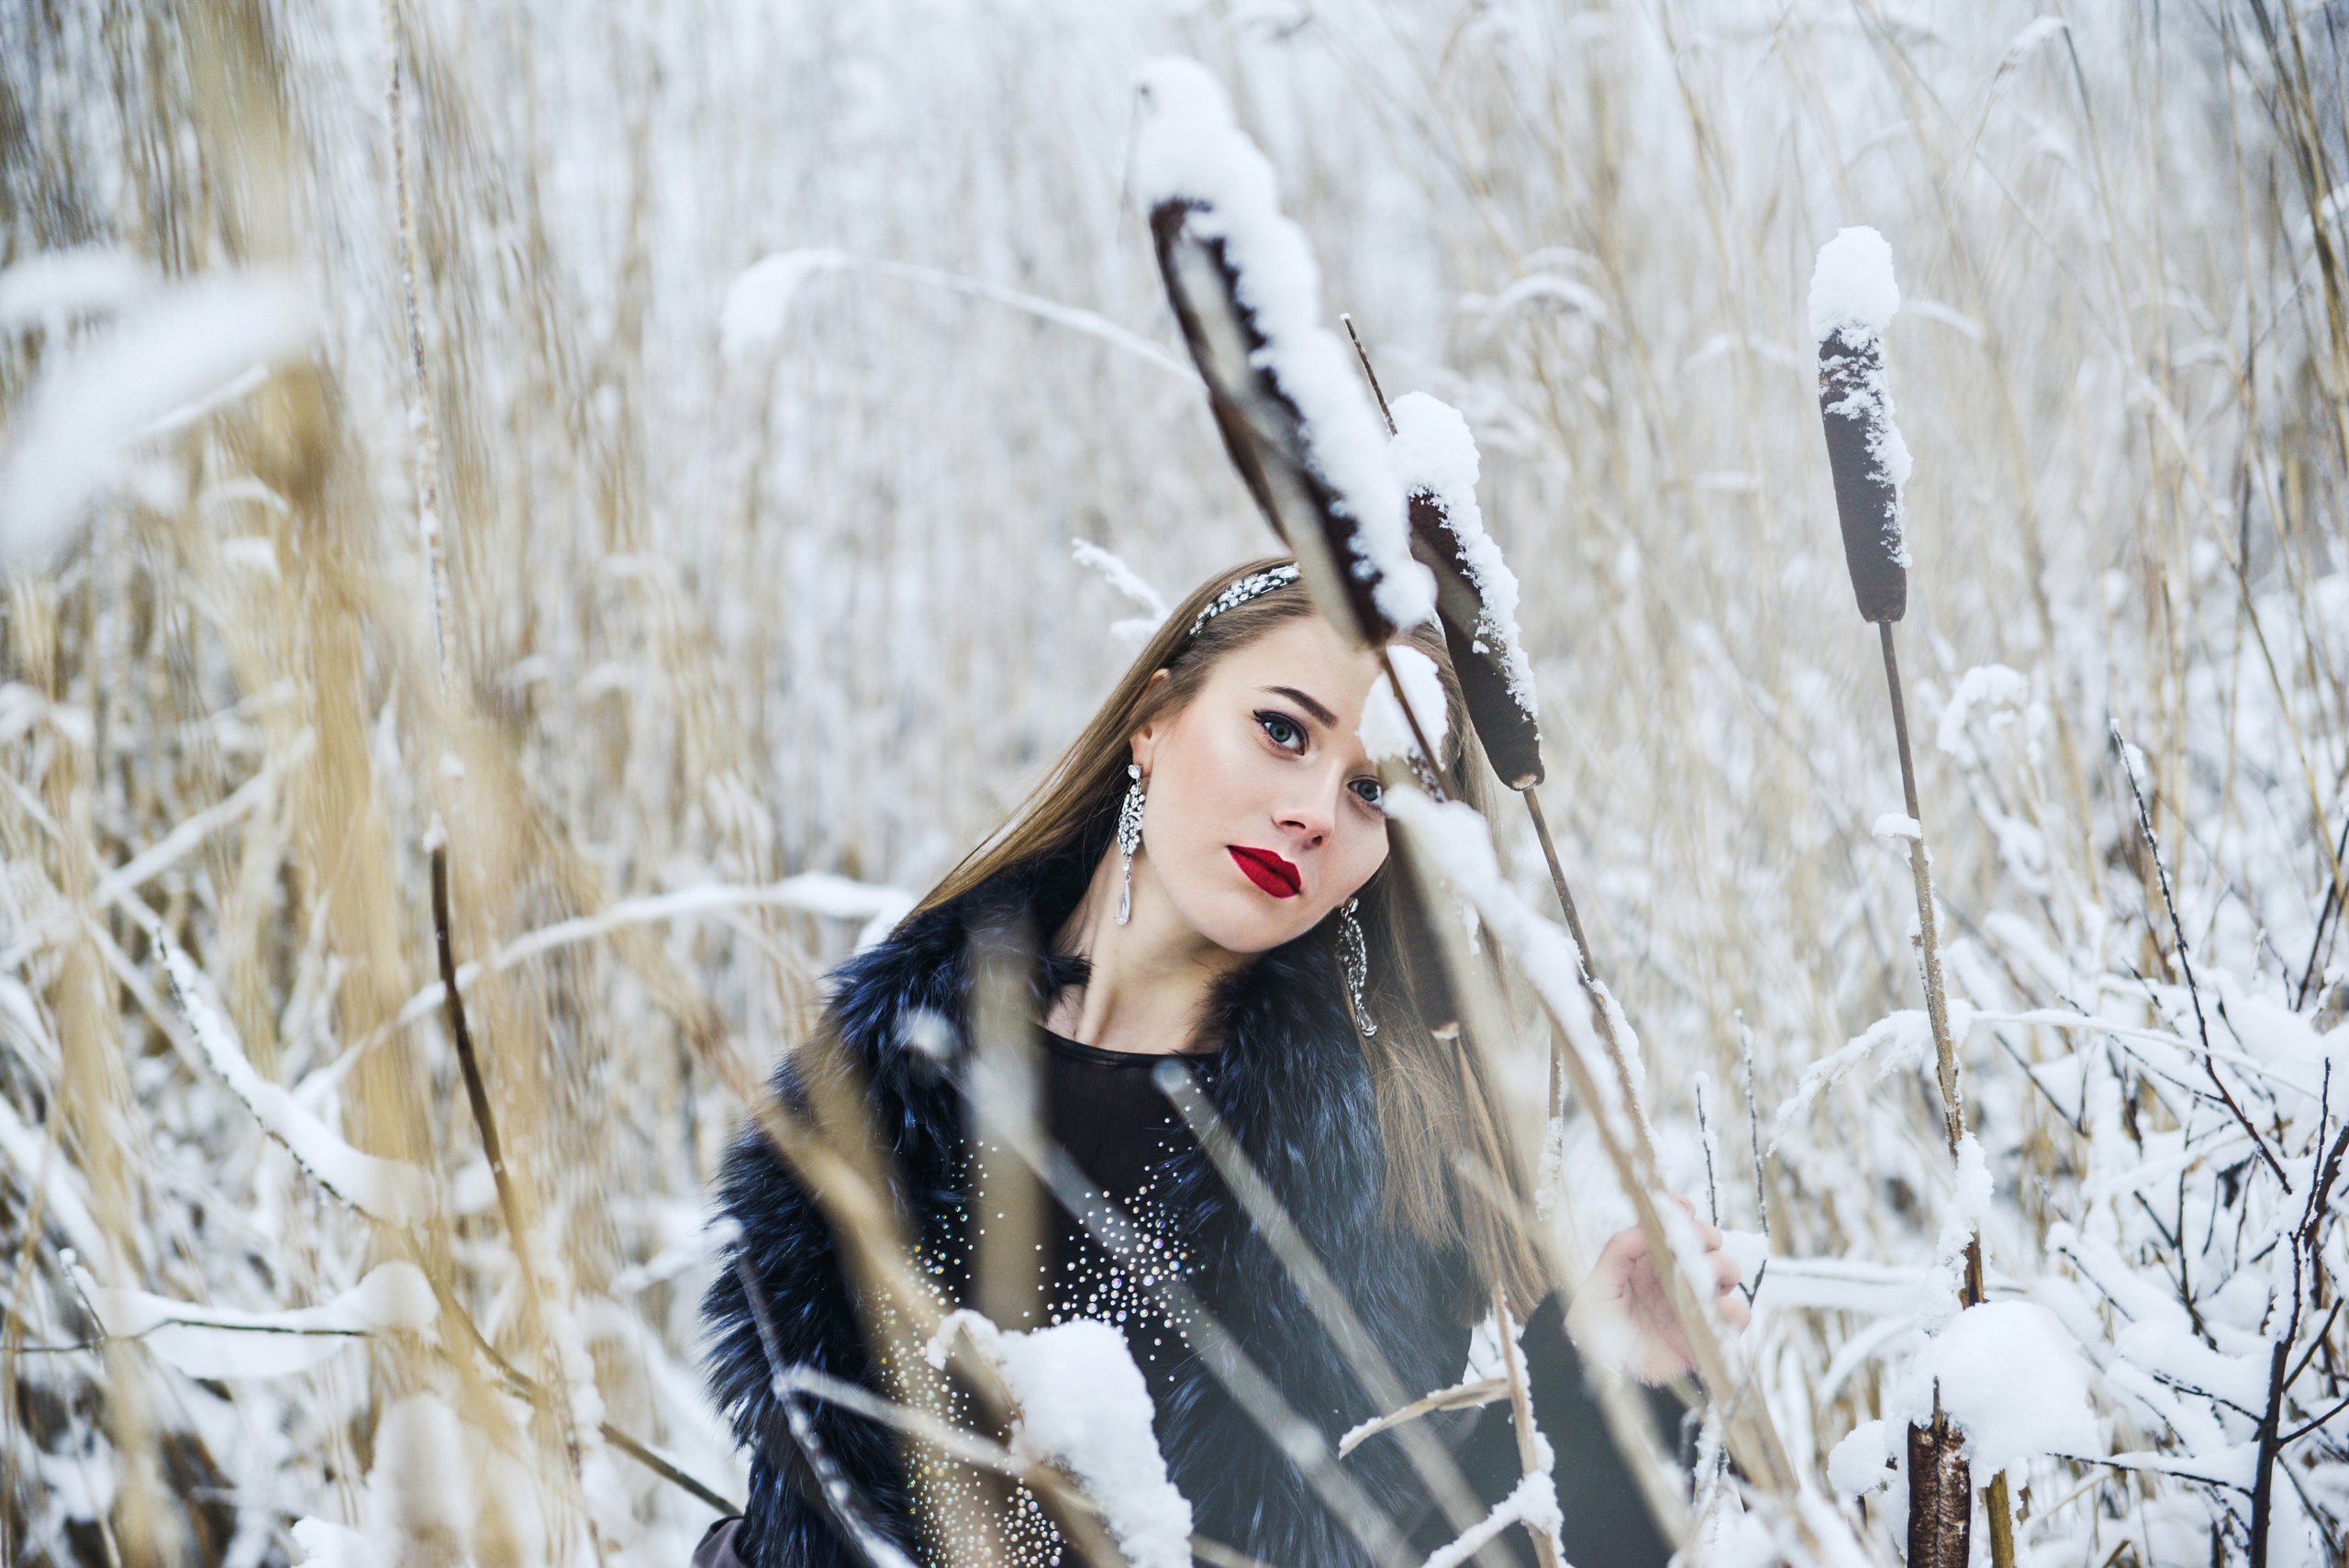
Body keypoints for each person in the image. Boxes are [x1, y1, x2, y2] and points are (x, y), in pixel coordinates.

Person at [697, 556, 1748, 1568]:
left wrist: (1617, 1391)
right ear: (1153, 718)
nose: (1312, 812)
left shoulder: (1370, 1171)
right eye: (1282, 729)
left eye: (1373, 790)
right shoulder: (891, 1070)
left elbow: (1435, 1548)